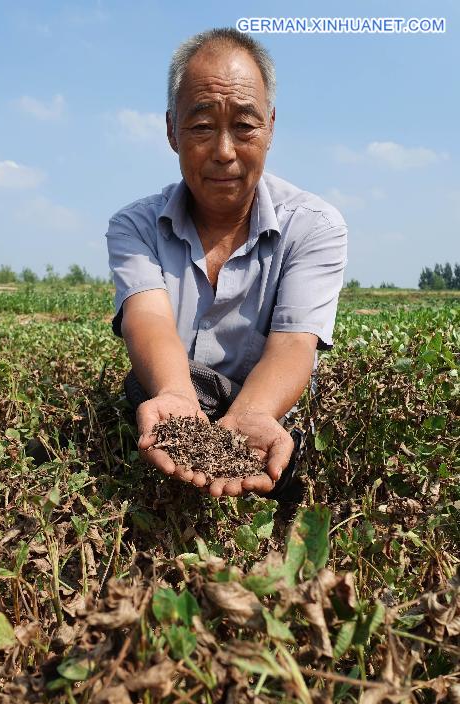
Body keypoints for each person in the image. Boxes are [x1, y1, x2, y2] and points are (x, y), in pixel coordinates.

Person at [106, 27, 348, 499]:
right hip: (176, 394)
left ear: (271, 127)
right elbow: (148, 319)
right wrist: (176, 397)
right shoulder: (134, 226)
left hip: (266, 404)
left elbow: (294, 345)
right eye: (201, 127)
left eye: (244, 125)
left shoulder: (315, 226)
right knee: (146, 390)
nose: (223, 151)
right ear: (172, 130)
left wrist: (253, 415)